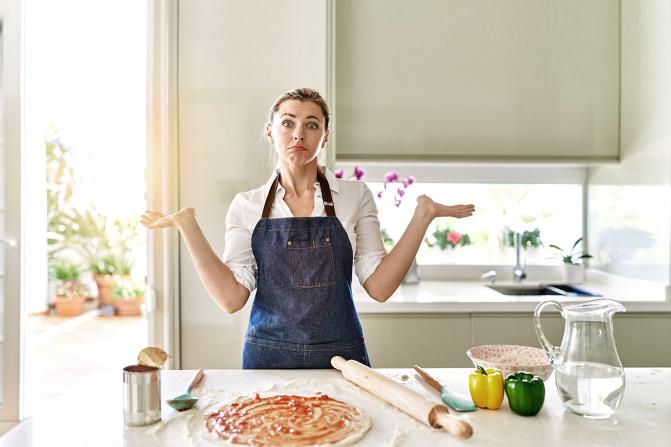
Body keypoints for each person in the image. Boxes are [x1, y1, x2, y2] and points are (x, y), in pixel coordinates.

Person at [140, 88, 475, 369]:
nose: (299, 133)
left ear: (325, 137)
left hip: (342, 358)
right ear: (270, 131)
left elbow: (379, 287)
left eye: (311, 125)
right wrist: (188, 226)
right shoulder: (247, 205)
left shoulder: (355, 196)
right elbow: (231, 298)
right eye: (288, 122)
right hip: (266, 357)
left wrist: (423, 217)